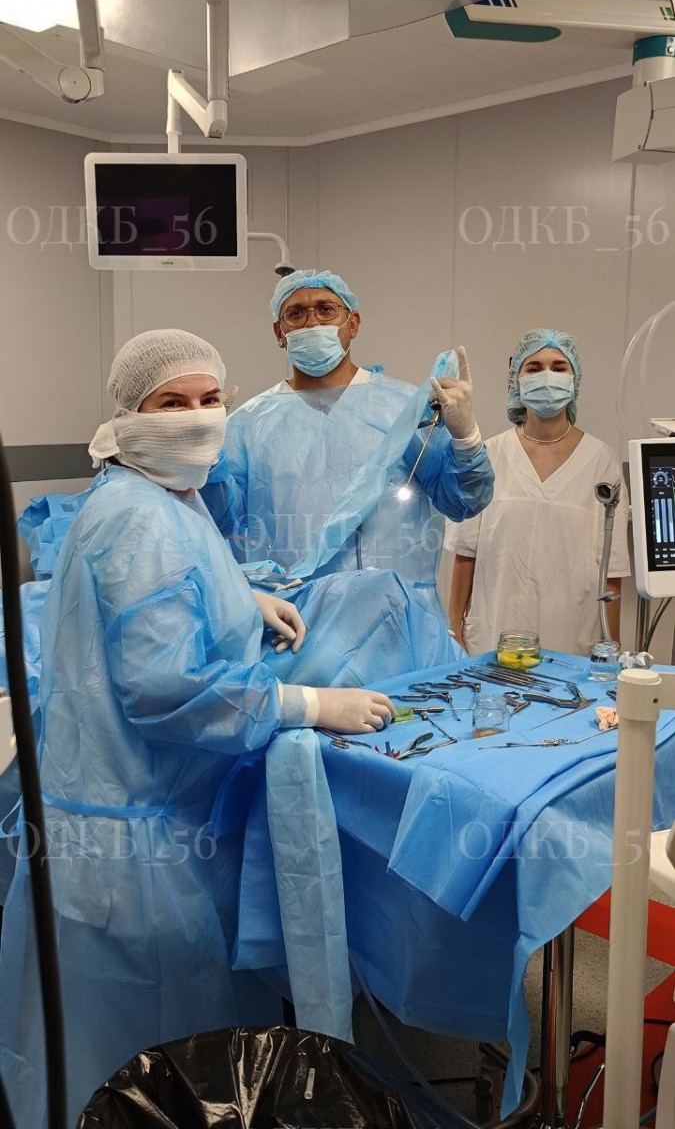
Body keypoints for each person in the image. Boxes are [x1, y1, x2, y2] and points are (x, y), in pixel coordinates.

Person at [0, 329, 398, 1129]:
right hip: (134, 859)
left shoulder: (155, 494)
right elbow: (164, 691)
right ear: (129, 414)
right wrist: (308, 704)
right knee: (146, 1074)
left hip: (131, 832)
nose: (196, 416)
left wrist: (239, 597)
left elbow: (156, 597)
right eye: (170, 402)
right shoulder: (140, 519)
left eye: (210, 399)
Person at [201, 270, 494, 621]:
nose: (312, 322)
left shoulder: (405, 410)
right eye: (296, 313)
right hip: (296, 619)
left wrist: (466, 438)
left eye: (326, 309)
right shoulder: (246, 425)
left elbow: (463, 503)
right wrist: (205, 453)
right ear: (279, 333)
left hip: (398, 620)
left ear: (352, 323)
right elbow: (221, 522)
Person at [447, 330, 630, 658]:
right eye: (534, 368)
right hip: (492, 639)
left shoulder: (602, 462)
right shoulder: (488, 456)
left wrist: (611, 653)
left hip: (573, 644)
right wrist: (455, 630)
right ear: (516, 380)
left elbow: (612, 573)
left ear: (575, 379)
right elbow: (465, 553)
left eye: (559, 368)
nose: (547, 376)